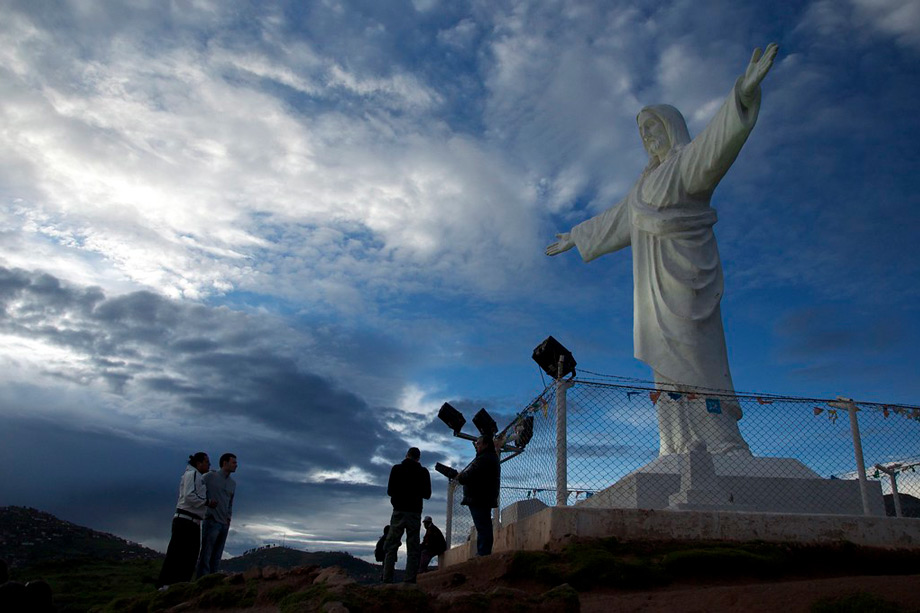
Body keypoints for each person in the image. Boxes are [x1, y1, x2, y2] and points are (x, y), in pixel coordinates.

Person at [546, 44, 779, 457]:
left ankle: (722, 441)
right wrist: (577, 236)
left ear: (670, 128)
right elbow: (617, 219)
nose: (647, 138)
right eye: (642, 133)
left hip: (686, 282)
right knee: (664, 371)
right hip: (652, 294)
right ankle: (675, 445)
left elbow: (716, 145)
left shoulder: (685, 165)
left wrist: (740, 96)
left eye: (653, 128)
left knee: (696, 358)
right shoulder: (642, 187)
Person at [157, 452, 215, 588]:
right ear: (199, 463)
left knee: (190, 555)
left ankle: (180, 585)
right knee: (178, 553)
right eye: (207, 462)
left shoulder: (198, 476)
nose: (209, 465)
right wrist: (207, 502)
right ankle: (165, 585)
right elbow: (189, 496)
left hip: (193, 521)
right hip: (185, 520)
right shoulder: (192, 475)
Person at [382, 447, 431, 584]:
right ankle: (410, 580)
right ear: (418, 458)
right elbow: (427, 494)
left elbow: (390, 491)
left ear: (406, 455)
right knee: (413, 547)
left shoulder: (396, 469)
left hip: (398, 510)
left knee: (391, 545)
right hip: (414, 512)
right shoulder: (423, 472)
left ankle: (387, 579)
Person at [457, 436, 500, 556]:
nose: (477, 445)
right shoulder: (489, 457)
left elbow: (469, 476)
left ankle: (483, 553)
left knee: (482, 527)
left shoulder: (484, 459)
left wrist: (459, 476)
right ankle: (483, 552)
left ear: (486, 444)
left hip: (479, 497)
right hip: (483, 496)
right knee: (483, 526)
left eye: (479, 443)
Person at [196, 452, 237, 577]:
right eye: (233, 462)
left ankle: (213, 579)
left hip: (224, 522)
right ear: (225, 463)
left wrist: (228, 517)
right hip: (211, 519)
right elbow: (197, 490)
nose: (236, 465)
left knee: (217, 554)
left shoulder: (232, 483)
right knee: (206, 553)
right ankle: (201, 580)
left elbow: (230, 502)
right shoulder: (210, 477)